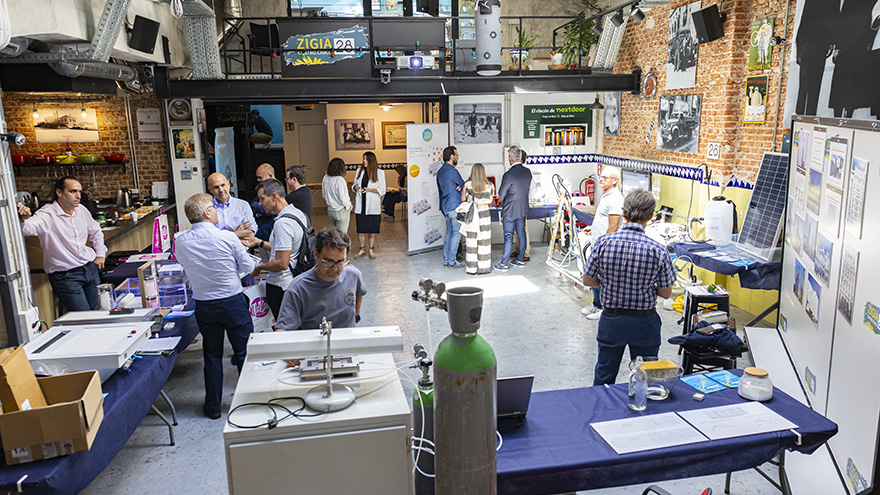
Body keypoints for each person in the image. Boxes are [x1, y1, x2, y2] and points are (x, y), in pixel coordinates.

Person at [173, 193, 255, 419]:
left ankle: (212, 406)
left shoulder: (180, 240)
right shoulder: (227, 238)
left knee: (211, 355)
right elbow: (247, 267)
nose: (218, 210)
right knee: (244, 353)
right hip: (232, 301)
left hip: (205, 305)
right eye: (215, 208)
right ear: (207, 213)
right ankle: (249, 401)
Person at [582, 189, 675, 386]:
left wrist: (607, 282)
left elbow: (588, 280)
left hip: (612, 320)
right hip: (644, 322)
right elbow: (666, 293)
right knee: (645, 377)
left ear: (624, 214)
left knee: (604, 373)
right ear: (650, 217)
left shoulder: (603, 243)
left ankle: (600, 413)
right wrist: (649, 286)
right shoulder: (658, 250)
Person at [18, 176, 106, 312]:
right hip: (66, 276)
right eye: (73, 192)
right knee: (84, 319)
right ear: (59, 192)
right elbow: (27, 228)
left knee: (101, 313)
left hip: (90, 269)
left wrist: (100, 254)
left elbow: (96, 231)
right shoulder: (47, 214)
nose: (78, 196)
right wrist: (24, 218)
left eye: (80, 192)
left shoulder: (81, 210)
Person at [275, 226, 366, 331]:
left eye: (341, 262)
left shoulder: (353, 274)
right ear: (315, 254)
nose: (335, 268)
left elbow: (360, 291)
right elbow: (283, 329)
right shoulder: (298, 288)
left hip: (346, 340)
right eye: (328, 261)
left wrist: (356, 317)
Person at [242, 179, 308, 320]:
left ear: (274, 196)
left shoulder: (282, 224)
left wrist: (259, 267)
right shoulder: (297, 213)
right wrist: (260, 243)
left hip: (281, 286)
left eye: (262, 198)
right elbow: (285, 248)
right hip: (295, 281)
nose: (259, 204)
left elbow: (281, 263)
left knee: (284, 329)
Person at [581, 166, 624, 320]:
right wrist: (593, 228)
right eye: (601, 176)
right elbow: (604, 220)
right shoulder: (606, 195)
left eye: (606, 177)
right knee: (594, 276)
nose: (601, 179)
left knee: (603, 278)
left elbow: (613, 225)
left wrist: (605, 247)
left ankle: (604, 309)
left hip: (605, 246)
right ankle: (597, 305)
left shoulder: (615, 198)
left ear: (614, 181)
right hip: (597, 242)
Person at [494, 146, 532, 272]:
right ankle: (520, 260)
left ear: (510, 158)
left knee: (508, 236)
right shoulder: (528, 172)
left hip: (510, 210)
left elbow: (501, 194)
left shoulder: (508, 175)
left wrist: (503, 201)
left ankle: (504, 264)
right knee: (522, 234)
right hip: (523, 209)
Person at [461, 163, 494, 275]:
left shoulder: (468, 185)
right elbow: (490, 200)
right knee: (484, 242)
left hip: (472, 216)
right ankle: (484, 268)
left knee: (471, 242)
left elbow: (463, 199)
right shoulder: (490, 185)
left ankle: (471, 268)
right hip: (484, 216)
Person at [352, 151, 386, 260]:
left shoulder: (380, 173)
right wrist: (355, 188)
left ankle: (371, 249)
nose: (364, 161)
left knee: (372, 228)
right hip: (361, 204)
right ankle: (362, 249)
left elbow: (382, 190)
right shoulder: (359, 171)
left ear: (371, 160)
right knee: (361, 228)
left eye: (366, 159)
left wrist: (369, 190)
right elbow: (354, 185)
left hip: (372, 205)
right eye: (363, 159)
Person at [437, 146, 465, 268]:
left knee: (448, 233)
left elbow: (440, 190)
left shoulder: (440, 171)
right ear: (452, 156)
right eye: (457, 155)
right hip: (455, 207)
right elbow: (463, 183)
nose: (457, 158)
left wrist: (458, 186)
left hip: (446, 207)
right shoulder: (452, 171)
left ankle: (447, 260)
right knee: (456, 234)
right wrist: (460, 186)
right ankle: (452, 261)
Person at [207, 172, 257, 240]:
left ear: (228, 184)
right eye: (216, 187)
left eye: (223, 185)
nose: (221, 190)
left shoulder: (242, 205)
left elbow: (251, 233)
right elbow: (209, 237)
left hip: (239, 248)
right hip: (217, 249)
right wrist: (237, 233)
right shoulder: (207, 208)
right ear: (210, 189)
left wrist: (222, 236)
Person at [322, 157, 352, 234]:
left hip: (330, 210)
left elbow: (323, 194)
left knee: (335, 235)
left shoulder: (325, 177)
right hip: (340, 211)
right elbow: (343, 198)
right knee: (342, 237)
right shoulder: (340, 180)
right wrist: (349, 206)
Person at [250, 163, 276, 242]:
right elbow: (254, 203)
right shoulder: (263, 188)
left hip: (269, 234)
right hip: (262, 234)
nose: (258, 180)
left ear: (270, 176)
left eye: (260, 177)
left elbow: (264, 209)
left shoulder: (276, 189)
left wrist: (256, 206)